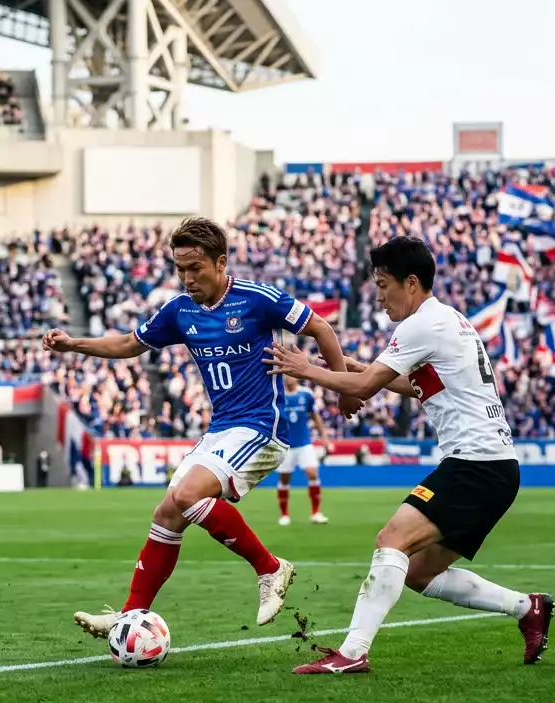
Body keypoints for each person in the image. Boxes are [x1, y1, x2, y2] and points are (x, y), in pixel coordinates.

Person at [42, 216, 359, 637]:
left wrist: (344, 387)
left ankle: (270, 567)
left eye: (196, 268)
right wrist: (73, 344)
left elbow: (320, 327)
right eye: (180, 269)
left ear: (220, 262)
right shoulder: (180, 311)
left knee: (187, 494)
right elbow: (128, 344)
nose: (187, 278)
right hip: (221, 429)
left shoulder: (257, 299)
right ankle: (131, 614)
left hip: (262, 428)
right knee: (169, 511)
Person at [265, 236, 552, 675]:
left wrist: (307, 369)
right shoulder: (448, 320)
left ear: (411, 282)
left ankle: (353, 652)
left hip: (475, 465)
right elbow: (416, 385)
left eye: (383, 285)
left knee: (391, 540)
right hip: (493, 467)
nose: (379, 297)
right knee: (419, 573)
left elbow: (364, 390)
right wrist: (361, 367)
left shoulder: (420, 326)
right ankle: (526, 608)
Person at [276, 375, 333, 526]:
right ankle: (284, 514)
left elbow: (316, 417)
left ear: (297, 378)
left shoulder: (306, 394)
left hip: (304, 442)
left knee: (312, 473)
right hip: (285, 444)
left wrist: (325, 438)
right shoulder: (278, 394)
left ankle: (316, 513)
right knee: (284, 478)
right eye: (285, 376)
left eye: (290, 376)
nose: (288, 379)